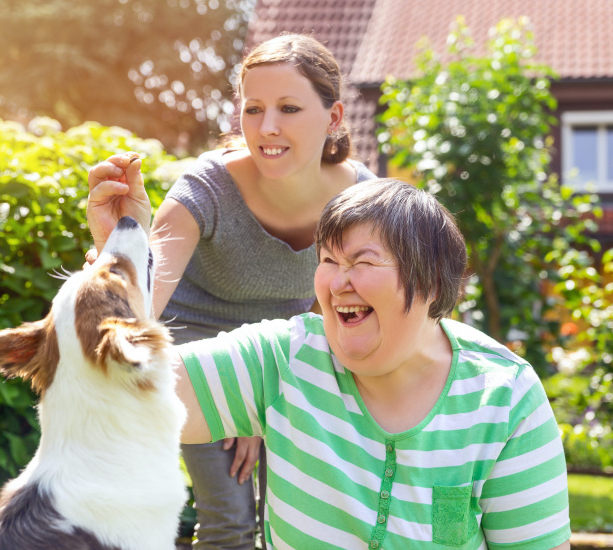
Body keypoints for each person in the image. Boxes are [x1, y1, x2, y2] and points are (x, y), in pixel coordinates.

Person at [86, 33, 376, 549]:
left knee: (309, 520)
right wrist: (116, 247)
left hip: (291, 349)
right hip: (193, 346)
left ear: (333, 118)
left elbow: (338, 304)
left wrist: (270, 393)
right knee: (232, 519)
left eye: (289, 108)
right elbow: (146, 298)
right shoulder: (206, 187)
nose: (267, 128)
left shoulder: (359, 198)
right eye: (253, 108)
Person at [172, 178, 572, 549]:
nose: (337, 282)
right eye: (328, 260)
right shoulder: (285, 358)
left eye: (363, 262)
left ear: (431, 282)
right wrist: (121, 255)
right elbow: (134, 391)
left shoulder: (505, 397)